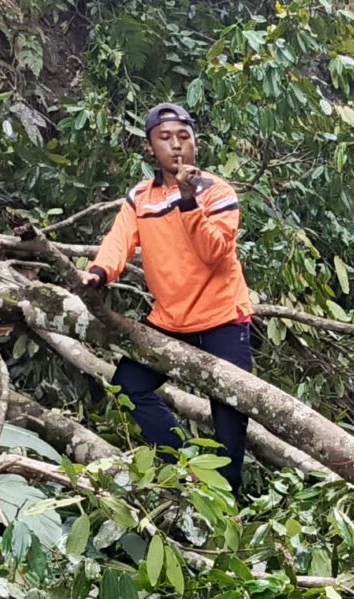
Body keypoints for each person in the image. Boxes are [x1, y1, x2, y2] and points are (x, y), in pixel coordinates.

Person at [78, 102, 255, 489]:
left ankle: (228, 499)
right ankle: (185, 467)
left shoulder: (217, 192)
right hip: (170, 320)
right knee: (128, 384)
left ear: (195, 143)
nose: (176, 145)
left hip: (223, 317)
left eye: (183, 137)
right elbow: (119, 242)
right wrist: (98, 272)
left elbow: (214, 253)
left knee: (230, 412)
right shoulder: (140, 198)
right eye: (165, 138)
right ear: (150, 148)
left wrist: (188, 200)